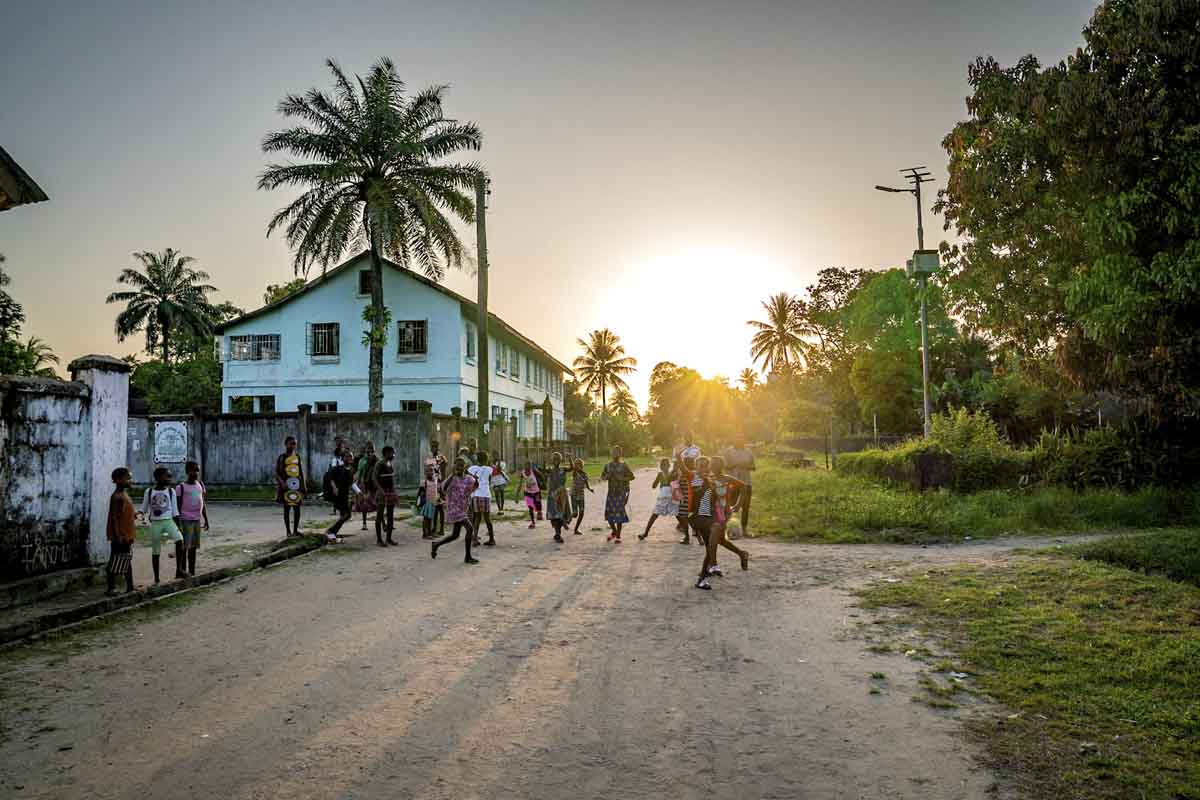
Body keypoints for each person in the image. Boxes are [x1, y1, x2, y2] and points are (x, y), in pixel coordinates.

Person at [431, 457, 479, 564]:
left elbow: (474, 487)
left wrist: (476, 479)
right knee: (470, 529)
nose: (459, 467)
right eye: (457, 465)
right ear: (454, 466)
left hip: (462, 508)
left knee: (455, 535)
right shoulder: (452, 478)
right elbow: (443, 488)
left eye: (461, 465)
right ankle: (468, 557)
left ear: (465, 467)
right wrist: (452, 475)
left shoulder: (468, 478)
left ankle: (436, 544)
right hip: (454, 509)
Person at [142, 466, 185, 583]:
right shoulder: (149, 491)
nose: (170, 479)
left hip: (169, 521)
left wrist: (179, 526)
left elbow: (175, 511)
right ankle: (156, 578)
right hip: (155, 523)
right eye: (167, 476)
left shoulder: (171, 491)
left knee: (180, 540)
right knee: (156, 551)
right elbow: (144, 508)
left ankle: (179, 570)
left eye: (170, 476)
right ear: (157, 478)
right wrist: (139, 514)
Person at [708, 455, 751, 573]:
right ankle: (742, 554)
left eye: (717, 464)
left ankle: (713, 565)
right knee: (720, 539)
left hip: (723, 512)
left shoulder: (726, 479)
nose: (714, 466)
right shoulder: (708, 478)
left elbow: (744, 487)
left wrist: (738, 504)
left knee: (713, 538)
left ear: (722, 466)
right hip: (710, 512)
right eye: (712, 463)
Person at [105, 467, 137, 596]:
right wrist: (118, 535)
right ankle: (111, 587)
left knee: (126, 560)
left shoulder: (123, 495)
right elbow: (115, 518)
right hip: (120, 536)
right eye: (128, 478)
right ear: (118, 480)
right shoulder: (118, 497)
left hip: (126, 534)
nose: (130, 481)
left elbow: (124, 515)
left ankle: (130, 586)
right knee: (115, 561)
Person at [175, 461, 209, 576]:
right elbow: (178, 507)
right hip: (185, 520)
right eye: (193, 470)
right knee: (185, 548)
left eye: (197, 470)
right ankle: (183, 571)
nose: (196, 473)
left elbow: (203, 503)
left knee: (193, 548)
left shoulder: (200, 485)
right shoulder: (181, 487)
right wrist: (178, 523)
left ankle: (192, 571)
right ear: (187, 471)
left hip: (196, 520)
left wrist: (206, 519)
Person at [601, 446, 635, 542]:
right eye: (613, 452)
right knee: (609, 514)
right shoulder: (607, 466)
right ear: (611, 454)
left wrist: (622, 479)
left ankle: (618, 536)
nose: (615, 454)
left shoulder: (624, 465)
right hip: (611, 492)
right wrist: (608, 475)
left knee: (619, 514)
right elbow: (602, 477)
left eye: (617, 452)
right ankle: (614, 531)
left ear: (620, 454)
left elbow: (632, 476)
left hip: (621, 492)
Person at [723, 437, 756, 537]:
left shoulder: (748, 452)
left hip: (746, 483)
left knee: (745, 507)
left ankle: (744, 530)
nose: (740, 442)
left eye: (742, 440)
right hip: (733, 483)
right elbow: (725, 466)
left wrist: (746, 466)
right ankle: (724, 529)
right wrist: (736, 464)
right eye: (737, 440)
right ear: (734, 441)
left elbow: (753, 467)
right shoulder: (729, 451)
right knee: (728, 505)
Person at [639, 458, 678, 540]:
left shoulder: (668, 474)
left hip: (667, 497)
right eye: (662, 465)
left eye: (665, 465)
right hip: (665, 497)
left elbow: (654, 486)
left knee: (676, 515)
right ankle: (645, 533)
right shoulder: (665, 474)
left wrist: (661, 482)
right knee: (655, 515)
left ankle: (645, 533)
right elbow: (654, 486)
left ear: (668, 466)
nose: (664, 467)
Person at [276, 436, 305, 537]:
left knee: (297, 509)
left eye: (294, 444)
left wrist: (304, 485)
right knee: (287, 509)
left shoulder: (297, 457)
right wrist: (282, 483)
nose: (293, 446)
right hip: (286, 488)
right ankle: (288, 531)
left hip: (296, 487)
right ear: (286, 444)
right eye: (291, 443)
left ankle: (295, 530)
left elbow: (301, 472)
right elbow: (277, 473)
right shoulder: (282, 457)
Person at [324, 448, 355, 543]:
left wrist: (358, 493)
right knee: (347, 514)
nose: (350, 457)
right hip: (338, 495)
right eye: (347, 456)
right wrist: (334, 488)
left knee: (346, 515)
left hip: (345, 495)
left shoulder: (351, 470)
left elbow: (351, 483)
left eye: (351, 456)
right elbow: (331, 478)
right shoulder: (339, 468)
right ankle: (330, 531)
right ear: (342, 458)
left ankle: (332, 533)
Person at [467, 451, 496, 547]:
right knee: (487, 519)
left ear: (477, 459)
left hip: (476, 495)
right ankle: (491, 539)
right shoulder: (489, 469)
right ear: (486, 459)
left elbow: (468, 476)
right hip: (486, 495)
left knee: (477, 518)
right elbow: (490, 480)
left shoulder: (472, 468)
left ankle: (474, 539)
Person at [373, 446, 399, 546]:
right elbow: (374, 478)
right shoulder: (379, 463)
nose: (393, 455)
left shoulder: (389, 463)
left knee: (390, 516)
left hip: (390, 492)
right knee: (379, 516)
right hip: (382, 492)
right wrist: (381, 490)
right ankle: (379, 540)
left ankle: (388, 538)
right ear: (386, 453)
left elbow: (390, 478)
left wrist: (393, 491)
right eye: (392, 453)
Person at [544, 453, 571, 544]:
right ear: (552, 460)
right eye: (554, 459)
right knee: (554, 515)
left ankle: (558, 533)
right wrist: (545, 460)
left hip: (562, 494)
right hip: (552, 495)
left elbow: (572, 468)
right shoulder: (550, 470)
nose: (556, 461)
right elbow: (544, 470)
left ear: (560, 460)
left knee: (561, 513)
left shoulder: (563, 469)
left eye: (558, 459)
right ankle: (558, 533)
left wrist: (570, 459)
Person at [425, 441, 448, 535]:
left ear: (438, 447)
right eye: (432, 446)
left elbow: (443, 472)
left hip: (439, 484)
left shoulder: (442, 458)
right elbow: (427, 471)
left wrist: (442, 486)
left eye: (435, 446)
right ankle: (434, 527)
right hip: (431, 484)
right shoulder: (429, 458)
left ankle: (441, 529)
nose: (433, 448)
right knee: (433, 506)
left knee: (440, 507)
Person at [355, 442, 379, 531]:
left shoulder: (377, 460)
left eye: (371, 448)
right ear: (366, 450)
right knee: (364, 505)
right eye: (368, 448)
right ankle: (364, 523)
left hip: (375, 485)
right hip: (365, 484)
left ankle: (382, 523)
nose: (369, 450)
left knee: (377, 504)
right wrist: (357, 485)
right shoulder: (362, 461)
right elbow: (360, 473)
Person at [675, 455, 697, 544]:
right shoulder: (690, 473)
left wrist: (678, 458)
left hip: (686, 499)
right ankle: (695, 533)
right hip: (687, 498)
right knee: (682, 516)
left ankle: (687, 537)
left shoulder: (690, 473)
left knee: (683, 517)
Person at [569, 458, 593, 535]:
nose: (577, 466)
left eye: (578, 465)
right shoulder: (575, 473)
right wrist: (570, 459)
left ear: (582, 466)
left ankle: (576, 529)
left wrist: (590, 488)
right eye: (576, 465)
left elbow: (586, 483)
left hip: (581, 495)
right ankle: (567, 519)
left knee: (582, 512)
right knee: (575, 514)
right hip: (574, 495)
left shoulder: (584, 474)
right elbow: (572, 467)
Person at [417, 464, 441, 540]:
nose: (430, 472)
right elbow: (420, 492)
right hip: (427, 503)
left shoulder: (435, 480)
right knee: (426, 519)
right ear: (425, 473)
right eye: (427, 471)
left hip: (434, 502)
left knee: (431, 518)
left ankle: (430, 532)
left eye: (431, 470)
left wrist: (439, 499)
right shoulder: (424, 482)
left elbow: (437, 490)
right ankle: (425, 534)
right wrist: (417, 502)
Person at [522, 462, 543, 529]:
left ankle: (539, 512)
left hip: (536, 492)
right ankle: (533, 522)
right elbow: (520, 484)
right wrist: (516, 495)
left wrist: (542, 483)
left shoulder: (533, 471)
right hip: (527, 493)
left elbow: (541, 476)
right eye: (526, 465)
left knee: (538, 505)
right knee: (530, 508)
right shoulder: (522, 473)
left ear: (531, 466)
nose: (527, 467)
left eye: (529, 466)